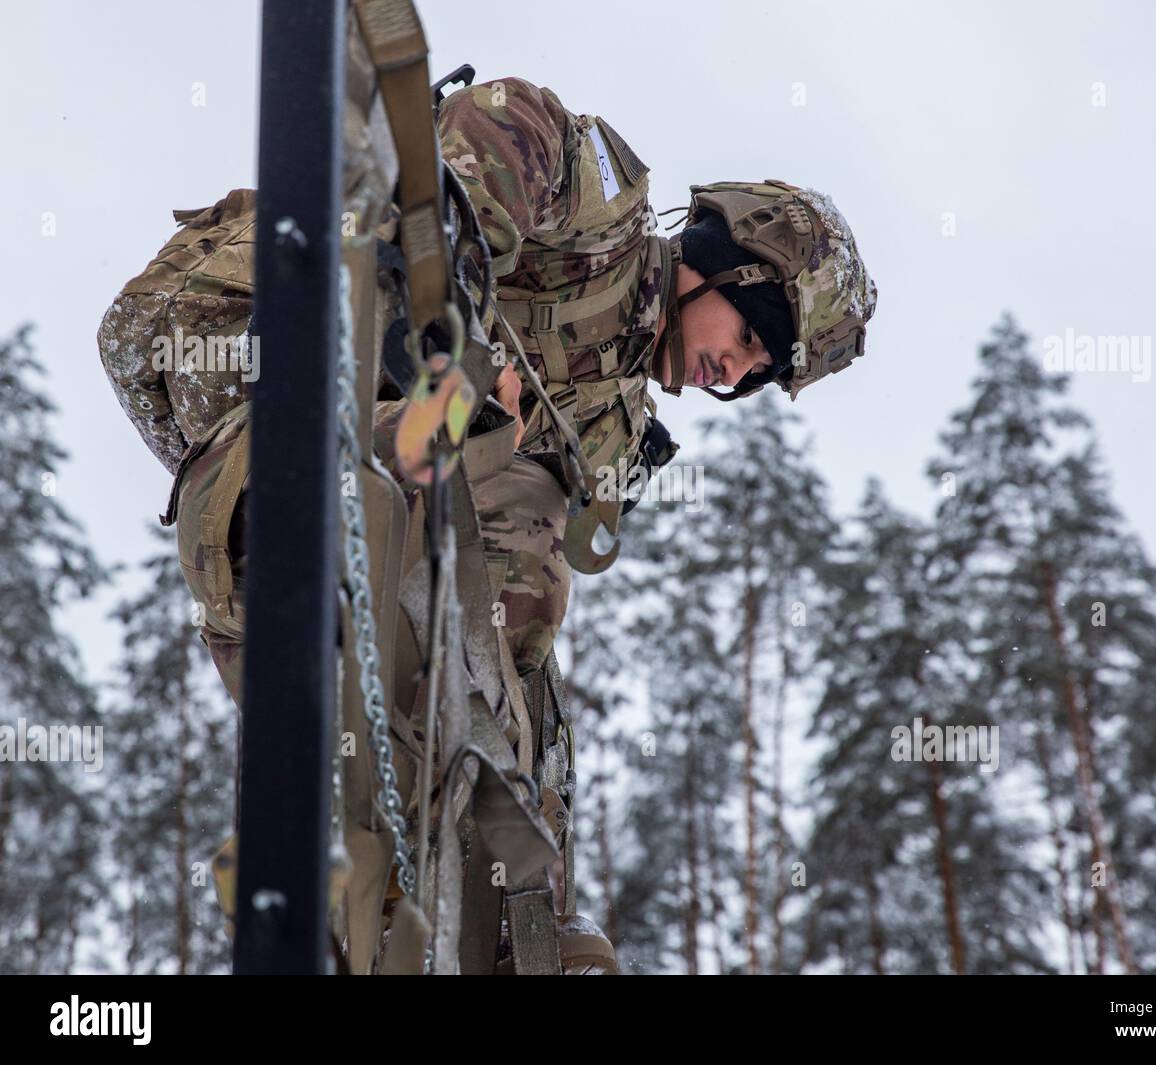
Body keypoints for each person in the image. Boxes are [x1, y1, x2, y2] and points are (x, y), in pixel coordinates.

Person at [97, 41, 875, 974]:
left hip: (294, 526)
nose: (734, 369)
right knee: (499, 482)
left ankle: (468, 913)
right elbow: (482, 156)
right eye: (748, 334)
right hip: (252, 343)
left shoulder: (619, 428)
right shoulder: (599, 214)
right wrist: (444, 324)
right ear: (714, 261)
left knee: (530, 683)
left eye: (759, 371)